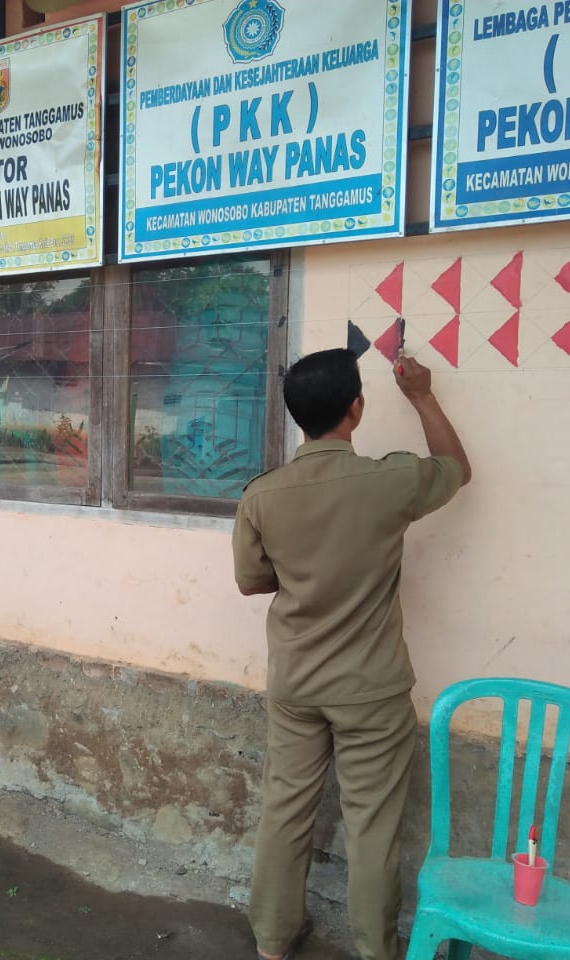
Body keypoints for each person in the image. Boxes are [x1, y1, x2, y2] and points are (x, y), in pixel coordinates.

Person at [232, 348, 472, 960]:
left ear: (295, 417)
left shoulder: (263, 496)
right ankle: (375, 951)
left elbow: (252, 581)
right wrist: (421, 395)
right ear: (356, 410)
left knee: (284, 812)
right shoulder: (390, 481)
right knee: (372, 827)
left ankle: (272, 940)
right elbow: (455, 467)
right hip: (372, 687)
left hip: (297, 683)